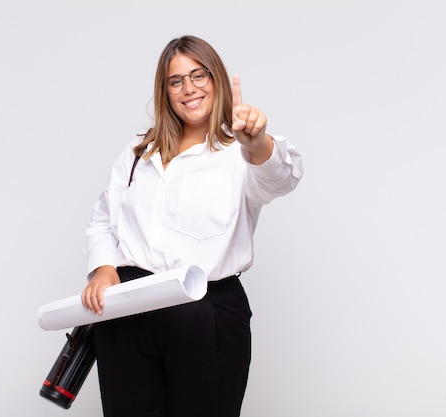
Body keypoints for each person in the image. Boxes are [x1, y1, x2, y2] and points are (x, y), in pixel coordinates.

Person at [81, 35, 303, 417]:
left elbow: (280, 178)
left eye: (198, 76)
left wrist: (258, 142)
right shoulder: (139, 151)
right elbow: (105, 217)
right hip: (128, 310)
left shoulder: (240, 152)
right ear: (165, 91)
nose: (189, 89)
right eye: (176, 81)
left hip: (205, 312)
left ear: (216, 79)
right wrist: (102, 270)